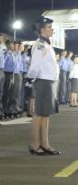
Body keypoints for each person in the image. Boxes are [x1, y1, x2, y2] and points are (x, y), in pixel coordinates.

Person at [25, 18, 60, 154]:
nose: (52, 30)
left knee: (45, 114)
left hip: (49, 82)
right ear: (43, 30)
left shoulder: (46, 44)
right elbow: (35, 65)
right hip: (43, 81)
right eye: (50, 27)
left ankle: (44, 143)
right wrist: (31, 78)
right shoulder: (40, 44)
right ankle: (34, 145)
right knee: (39, 114)